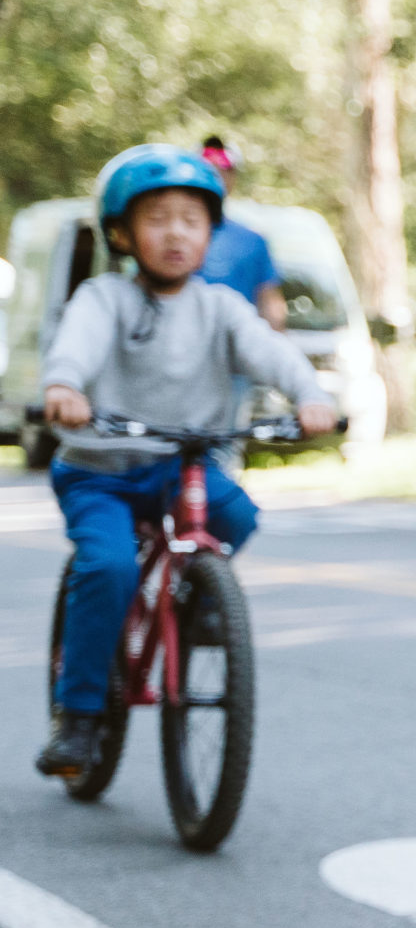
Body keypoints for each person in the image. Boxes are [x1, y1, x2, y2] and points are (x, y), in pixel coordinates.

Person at [34, 145, 337, 778]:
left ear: (210, 233)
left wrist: (310, 395)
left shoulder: (220, 307)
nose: (175, 232)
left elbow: (269, 351)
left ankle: (197, 600)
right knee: (109, 565)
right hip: (102, 470)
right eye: (157, 218)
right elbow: (75, 346)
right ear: (122, 233)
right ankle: (81, 717)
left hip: (180, 467)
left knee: (238, 518)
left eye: (191, 220)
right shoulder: (104, 298)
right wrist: (64, 387)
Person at [195, 136, 287, 331]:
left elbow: (270, 304)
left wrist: (275, 350)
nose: (216, 173)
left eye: (224, 168)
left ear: (233, 177)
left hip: (238, 351)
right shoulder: (171, 236)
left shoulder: (254, 241)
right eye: (207, 166)